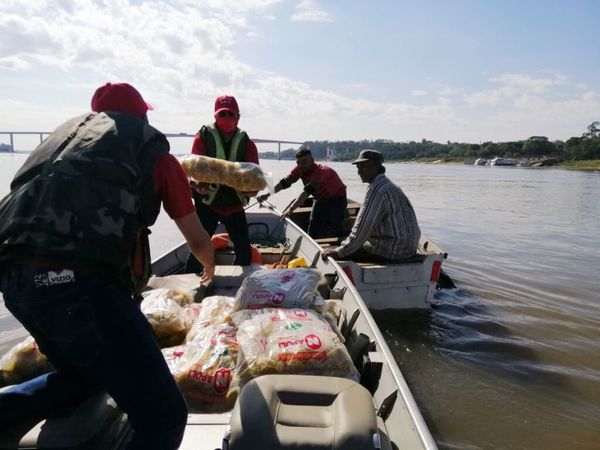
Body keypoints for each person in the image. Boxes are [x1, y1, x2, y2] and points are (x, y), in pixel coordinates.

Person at [0, 82, 215, 450]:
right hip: (81, 288)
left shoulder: (62, 143)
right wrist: (210, 267)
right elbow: (196, 240)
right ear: (143, 115)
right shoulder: (153, 153)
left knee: (83, 376)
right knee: (163, 415)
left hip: (15, 282)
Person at [185, 95, 260, 271]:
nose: (226, 118)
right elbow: (193, 172)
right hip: (208, 204)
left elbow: (256, 177)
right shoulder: (201, 139)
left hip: (234, 205)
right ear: (215, 116)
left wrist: (253, 189)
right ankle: (189, 284)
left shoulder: (247, 144)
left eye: (230, 114)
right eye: (222, 114)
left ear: (238, 116)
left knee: (244, 251)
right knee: (198, 248)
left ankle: (239, 285)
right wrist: (195, 185)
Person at [323, 149, 421, 262]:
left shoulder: (376, 190)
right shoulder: (390, 186)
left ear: (375, 167)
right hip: (409, 249)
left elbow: (361, 230)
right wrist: (357, 221)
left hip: (392, 252)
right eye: (358, 168)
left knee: (332, 249)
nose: (359, 172)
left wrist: (338, 252)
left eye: (363, 167)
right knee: (348, 242)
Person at [257, 148, 347, 239]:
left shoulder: (321, 172)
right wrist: (267, 195)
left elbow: (305, 193)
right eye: (298, 162)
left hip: (337, 198)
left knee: (337, 227)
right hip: (320, 199)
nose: (301, 165)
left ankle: (341, 248)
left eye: (304, 161)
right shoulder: (299, 169)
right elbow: (284, 183)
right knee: (313, 228)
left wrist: (290, 210)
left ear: (312, 161)